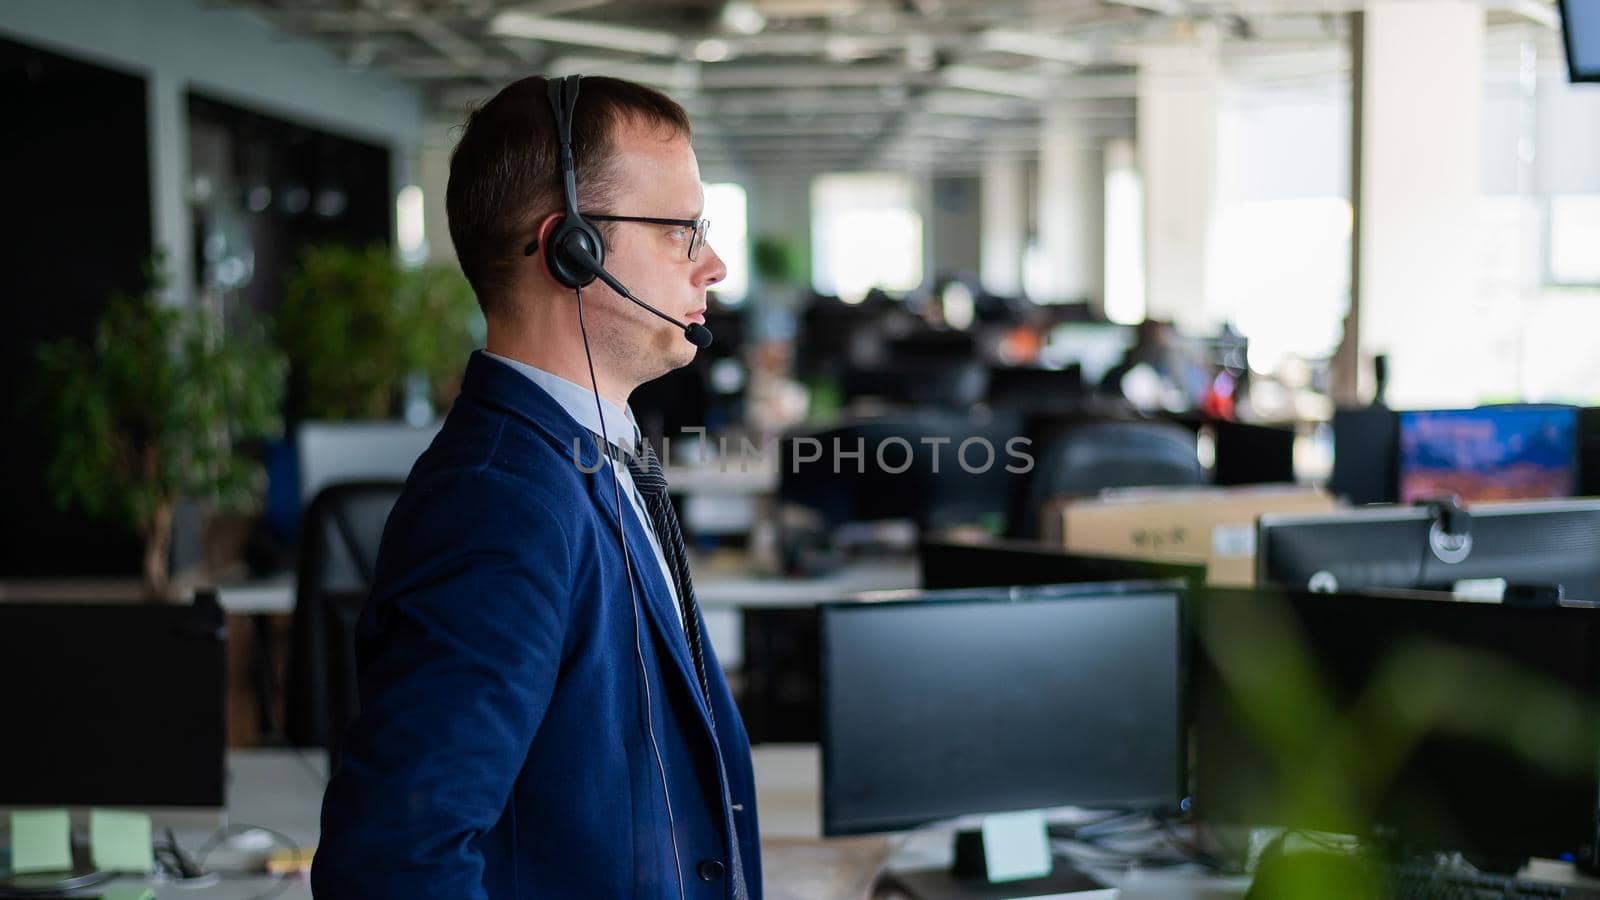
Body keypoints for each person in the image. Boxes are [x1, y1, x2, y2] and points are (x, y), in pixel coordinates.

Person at [312, 74, 760, 899]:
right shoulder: (499, 507)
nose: (714, 265)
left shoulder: (601, 453)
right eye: (682, 232)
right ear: (572, 249)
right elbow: (395, 865)